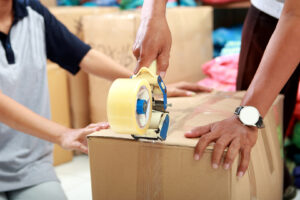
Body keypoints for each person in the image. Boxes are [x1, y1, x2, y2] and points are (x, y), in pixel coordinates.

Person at [0, 0, 210, 199]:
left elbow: (83, 56)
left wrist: (143, 85)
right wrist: (64, 134)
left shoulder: (32, 11)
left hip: (30, 164)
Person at [134, 0, 300, 183]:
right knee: (260, 118)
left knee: (258, 118)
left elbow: (296, 16)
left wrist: (247, 117)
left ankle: (272, 179)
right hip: (270, 8)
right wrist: (152, 17)